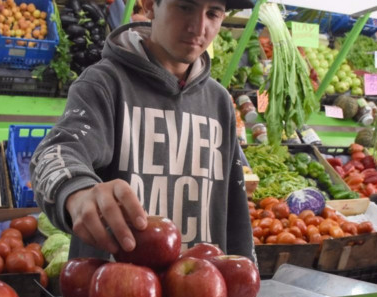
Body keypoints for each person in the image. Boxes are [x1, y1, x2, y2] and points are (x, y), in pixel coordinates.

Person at [30, 0, 256, 262]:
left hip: (203, 291)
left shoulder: (219, 101)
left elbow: (235, 209)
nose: (199, 27)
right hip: (115, 290)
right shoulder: (104, 84)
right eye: (185, 7)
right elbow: (56, 151)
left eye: (213, 14)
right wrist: (78, 192)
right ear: (149, 6)